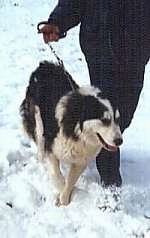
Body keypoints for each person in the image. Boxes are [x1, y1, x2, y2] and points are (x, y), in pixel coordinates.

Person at [38, 0, 150, 187]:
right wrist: (57, 22)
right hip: (100, 44)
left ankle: (100, 140)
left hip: (136, 48)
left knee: (124, 114)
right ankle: (110, 180)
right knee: (108, 113)